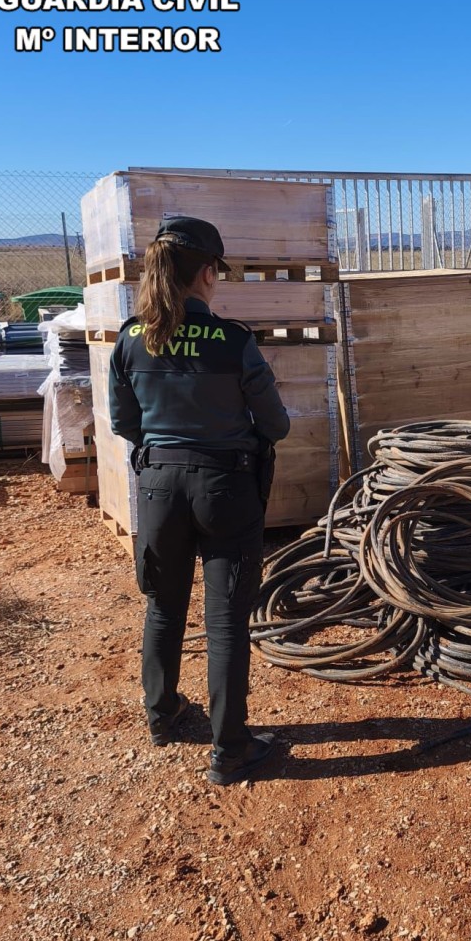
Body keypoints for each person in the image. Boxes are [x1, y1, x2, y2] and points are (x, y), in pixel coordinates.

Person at [109, 215, 291, 786]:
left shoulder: (130, 337)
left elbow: (124, 422)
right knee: (226, 623)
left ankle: (163, 717)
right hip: (225, 490)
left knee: (163, 607)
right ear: (208, 273)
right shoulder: (234, 342)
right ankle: (229, 749)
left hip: (159, 488)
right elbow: (277, 426)